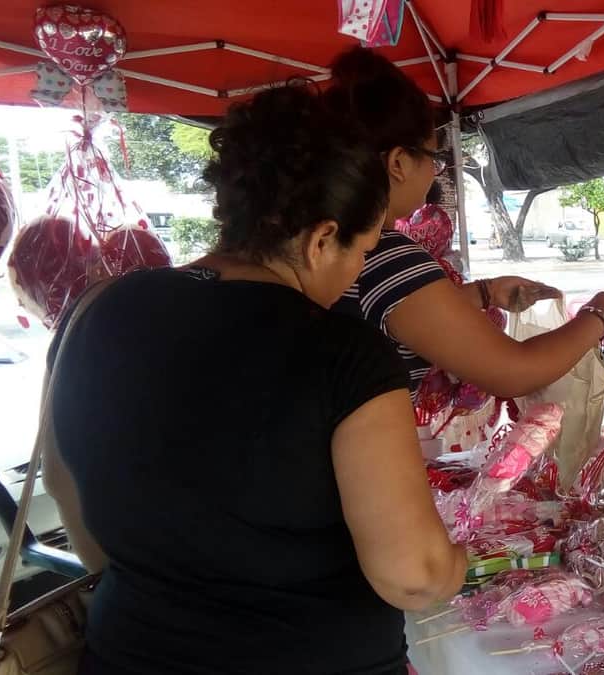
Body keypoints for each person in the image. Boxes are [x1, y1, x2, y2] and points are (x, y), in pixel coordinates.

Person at [44, 82, 466, 675]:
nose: (353, 275)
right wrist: (456, 561)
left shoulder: (97, 307)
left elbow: (67, 489)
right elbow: (414, 579)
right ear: (322, 238)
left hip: (128, 652)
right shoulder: (343, 352)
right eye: (360, 251)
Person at [324, 47, 604, 399]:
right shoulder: (384, 255)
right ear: (399, 162)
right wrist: (599, 317)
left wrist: (485, 292)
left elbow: (403, 312)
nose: (435, 170)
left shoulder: (335, 245)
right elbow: (513, 372)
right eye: (434, 157)